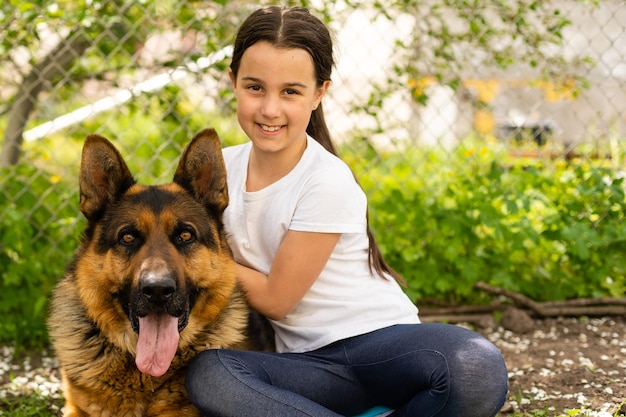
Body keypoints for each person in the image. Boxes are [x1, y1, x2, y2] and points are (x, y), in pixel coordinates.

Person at [186, 6, 508, 417]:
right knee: (211, 375)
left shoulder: (326, 179)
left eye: (291, 92)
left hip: (380, 347)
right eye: (254, 88)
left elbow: (277, 298)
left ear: (319, 93)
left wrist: (199, 259)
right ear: (232, 82)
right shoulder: (215, 169)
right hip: (308, 366)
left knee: (476, 367)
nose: (270, 109)